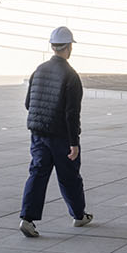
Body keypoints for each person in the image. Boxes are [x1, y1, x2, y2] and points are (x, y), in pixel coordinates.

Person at [19, 26, 93, 237]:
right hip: (61, 136)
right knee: (69, 176)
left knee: (37, 174)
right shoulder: (71, 76)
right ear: (69, 47)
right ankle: (79, 215)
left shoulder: (38, 70)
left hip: (38, 133)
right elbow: (71, 114)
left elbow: (28, 104)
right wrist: (74, 142)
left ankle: (27, 219)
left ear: (52, 47)